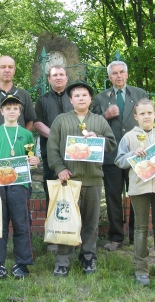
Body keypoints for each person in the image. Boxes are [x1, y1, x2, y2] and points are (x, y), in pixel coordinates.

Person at [47, 81, 117, 277]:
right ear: (70, 100)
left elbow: (111, 144)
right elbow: (51, 148)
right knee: (66, 221)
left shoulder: (100, 121)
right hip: (69, 180)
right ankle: (62, 259)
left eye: (84, 95)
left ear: (90, 99)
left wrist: (97, 140)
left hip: (93, 179)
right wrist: (59, 168)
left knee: (90, 222)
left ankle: (88, 255)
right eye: (76, 96)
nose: (80, 98)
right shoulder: (61, 121)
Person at [0, 55, 37, 263]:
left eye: (11, 67)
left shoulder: (24, 95)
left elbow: (30, 122)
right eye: (3, 67)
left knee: (20, 217)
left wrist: (16, 139)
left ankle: (23, 260)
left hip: (19, 170)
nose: (7, 70)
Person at [115, 98, 155, 285]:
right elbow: (119, 160)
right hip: (139, 188)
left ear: (154, 114)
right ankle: (141, 269)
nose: (146, 116)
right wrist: (132, 155)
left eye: (149, 113)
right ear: (136, 117)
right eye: (142, 113)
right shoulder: (129, 137)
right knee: (141, 228)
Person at [0, 94, 40, 279]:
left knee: (21, 223)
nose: (12, 111)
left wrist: (35, 161)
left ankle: (22, 264)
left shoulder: (27, 134)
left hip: (20, 183)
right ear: (2, 111)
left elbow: (31, 160)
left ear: (20, 112)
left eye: (15, 108)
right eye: (8, 108)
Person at [92, 60, 148, 251]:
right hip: (111, 155)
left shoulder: (140, 94)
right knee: (113, 196)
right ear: (109, 77)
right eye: (114, 73)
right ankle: (116, 237)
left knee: (135, 194)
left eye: (121, 72)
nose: (118, 76)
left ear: (127, 74)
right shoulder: (100, 98)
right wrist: (105, 115)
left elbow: (148, 120)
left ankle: (135, 235)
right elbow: (91, 124)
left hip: (137, 153)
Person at [33, 65, 73, 212]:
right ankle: (53, 230)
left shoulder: (74, 98)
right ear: (49, 79)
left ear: (66, 78)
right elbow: (37, 123)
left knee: (74, 191)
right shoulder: (42, 100)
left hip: (73, 153)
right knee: (52, 191)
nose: (58, 77)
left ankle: (74, 231)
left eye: (61, 74)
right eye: (55, 75)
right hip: (50, 153)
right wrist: (56, 137)